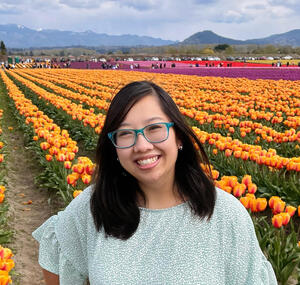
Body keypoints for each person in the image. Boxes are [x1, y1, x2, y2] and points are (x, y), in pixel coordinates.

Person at [33, 81, 277, 285]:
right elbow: (55, 256)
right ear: (114, 147)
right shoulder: (94, 206)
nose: (142, 145)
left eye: (154, 128)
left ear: (178, 135)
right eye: (126, 133)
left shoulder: (225, 214)